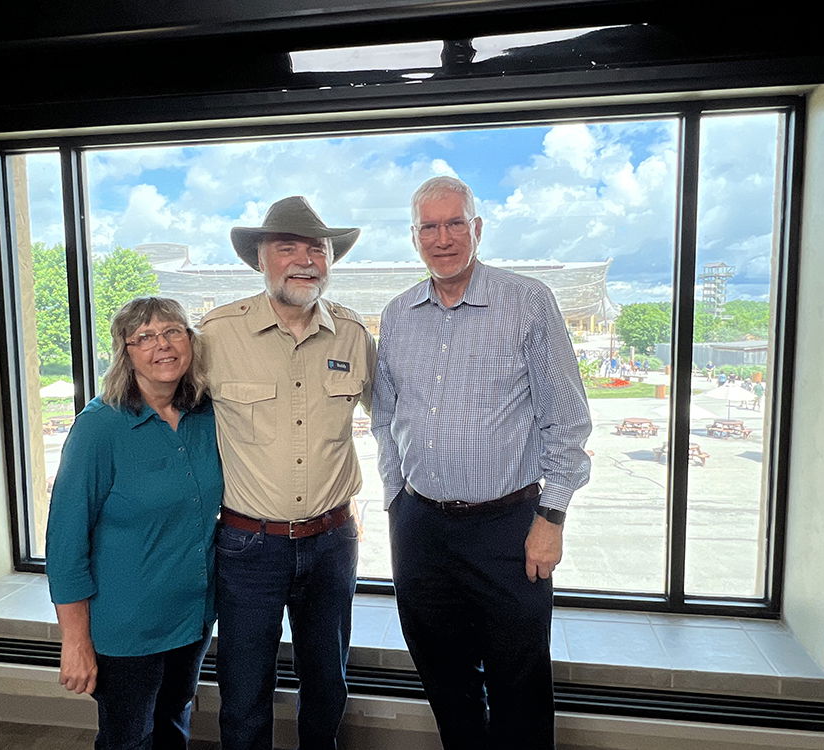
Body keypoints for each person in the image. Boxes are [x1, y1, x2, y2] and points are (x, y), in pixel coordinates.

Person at [372, 176, 592, 750]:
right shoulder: (397, 315)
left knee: (519, 679)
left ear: (477, 228)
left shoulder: (527, 301)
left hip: (509, 525)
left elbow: (566, 418)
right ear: (413, 235)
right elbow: (385, 416)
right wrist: (397, 502)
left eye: (454, 224)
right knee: (443, 675)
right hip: (420, 525)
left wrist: (552, 517)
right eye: (428, 226)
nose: (442, 238)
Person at [200, 196, 375, 750]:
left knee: (327, 684)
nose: (305, 260)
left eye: (316, 248)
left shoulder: (353, 336)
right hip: (248, 545)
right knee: (245, 689)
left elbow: (399, 420)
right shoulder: (215, 336)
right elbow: (165, 416)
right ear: (259, 259)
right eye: (287, 247)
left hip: (332, 544)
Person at [46, 296, 222, 750]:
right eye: (144, 337)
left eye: (172, 332)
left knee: (173, 727)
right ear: (125, 352)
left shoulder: (205, 415)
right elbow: (66, 544)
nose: (161, 345)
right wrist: (75, 641)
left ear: (190, 341)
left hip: (192, 618)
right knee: (129, 739)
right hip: (127, 628)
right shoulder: (99, 428)